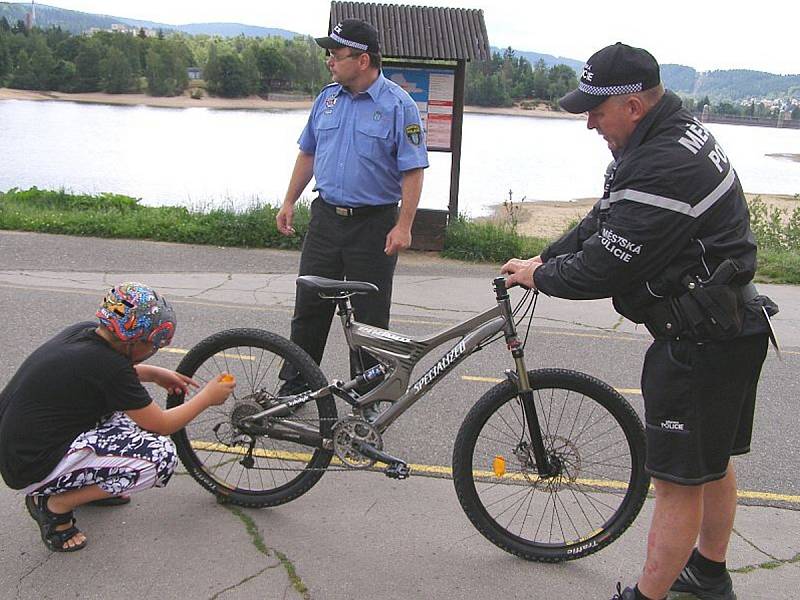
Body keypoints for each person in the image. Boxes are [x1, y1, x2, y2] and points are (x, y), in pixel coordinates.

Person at [500, 43, 777, 600]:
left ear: (631, 105)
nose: (589, 124)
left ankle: (649, 596)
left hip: (701, 340)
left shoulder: (663, 163)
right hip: (730, 326)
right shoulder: (664, 138)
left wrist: (544, 278)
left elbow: (603, 265)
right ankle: (709, 574)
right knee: (710, 462)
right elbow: (603, 219)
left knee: (676, 484)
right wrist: (543, 260)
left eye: (595, 112)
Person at [0, 282, 236, 552]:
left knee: (124, 423)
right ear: (134, 341)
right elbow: (161, 424)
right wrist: (207, 397)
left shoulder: (84, 334)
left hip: (22, 445)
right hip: (30, 465)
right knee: (159, 457)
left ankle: (79, 485)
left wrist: (152, 373)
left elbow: (99, 375)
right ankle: (55, 506)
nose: (153, 351)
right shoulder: (109, 366)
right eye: (153, 346)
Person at [276, 18, 428, 393]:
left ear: (362, 60)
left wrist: (404, 225)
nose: (329, 61)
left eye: (336, 54)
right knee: (309, 307)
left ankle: (368, 392)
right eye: (329, 54)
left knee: (370, 317)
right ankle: (296, 386)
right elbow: (308, 153)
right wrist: (289, 200)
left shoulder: (398, 105)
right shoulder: (326, 99)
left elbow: (413, 170)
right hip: (326, 219)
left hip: (374, 225)